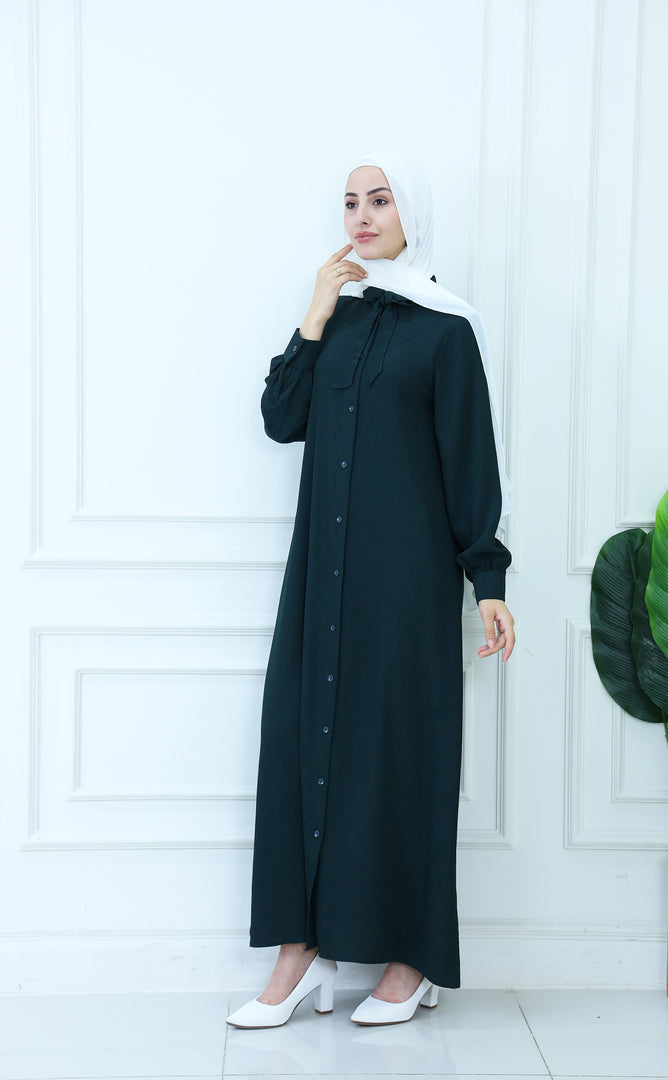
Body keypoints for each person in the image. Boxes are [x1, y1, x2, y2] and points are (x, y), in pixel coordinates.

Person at [226, 150, 515, 1030]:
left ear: (409, 213)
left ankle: (411, 959)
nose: (361, 216)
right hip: (322, 580)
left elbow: (470, 461)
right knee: (301, 747)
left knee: (400, 756)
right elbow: (282, 420)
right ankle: (299, 952)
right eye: (350, 202)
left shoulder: (447, 330)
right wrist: (314, 314)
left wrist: (489, 578)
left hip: (408, 586)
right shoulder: (338, 321)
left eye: (379, 201)